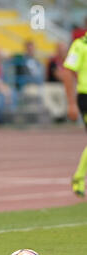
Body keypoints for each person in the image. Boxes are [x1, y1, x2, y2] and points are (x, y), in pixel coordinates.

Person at [63, 31, 87, 197]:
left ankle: (78, 177)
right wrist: (71, 103)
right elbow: (68, 71)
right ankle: (78, 177)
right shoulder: (80, 45)